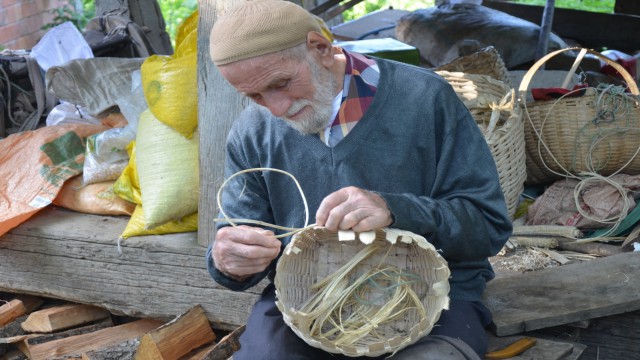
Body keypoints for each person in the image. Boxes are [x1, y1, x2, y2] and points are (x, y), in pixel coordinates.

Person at [205, 1, 512, 359]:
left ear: (320, 48)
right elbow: (235, 241)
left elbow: (488, 226)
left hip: (431, 295)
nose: (276, 108)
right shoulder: (253, 132)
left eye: (282, 83)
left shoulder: (424, 99)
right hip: (307, 301)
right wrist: (227, 261)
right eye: (255, 96)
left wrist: (395, 209)